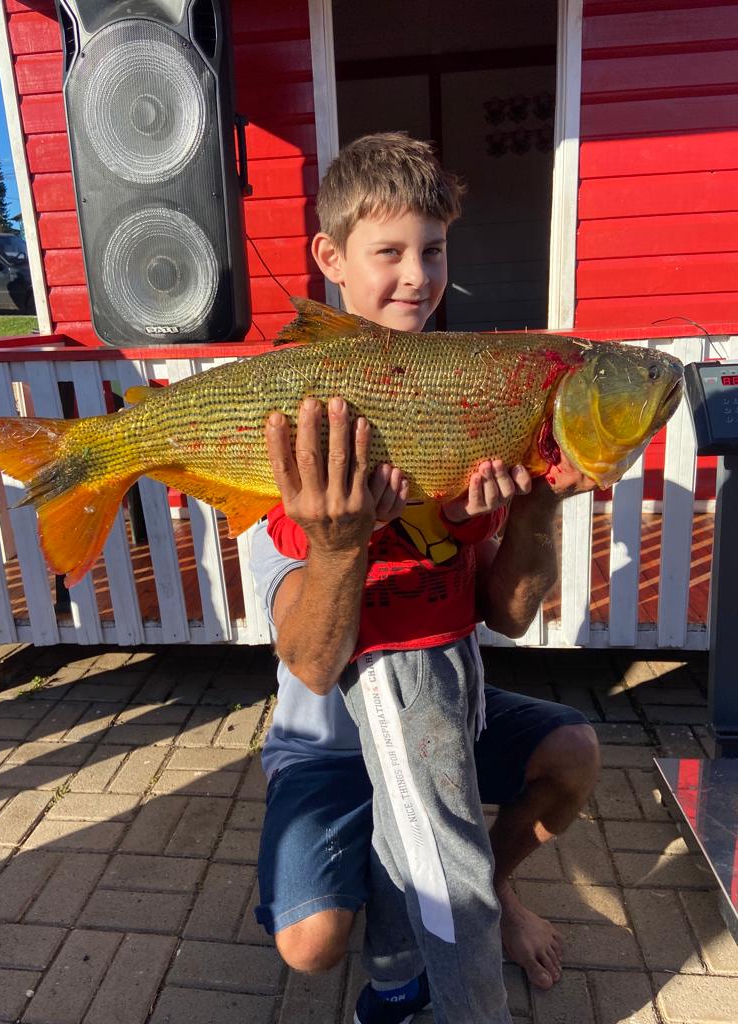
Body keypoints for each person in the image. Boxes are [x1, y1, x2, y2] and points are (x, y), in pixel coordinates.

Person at [250, 133, 601, 1023]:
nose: (417, 275)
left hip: (446, 702)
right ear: (330, 257)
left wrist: (536, 504)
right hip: (333, 735)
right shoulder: (291, 417)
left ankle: (484, 891)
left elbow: (505, 617)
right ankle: (425, 913)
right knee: (312, 942)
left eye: (434, 250)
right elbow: (312, 665)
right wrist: (339, 545)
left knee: (571, 755)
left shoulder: (457, 399)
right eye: (389, 252)